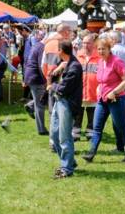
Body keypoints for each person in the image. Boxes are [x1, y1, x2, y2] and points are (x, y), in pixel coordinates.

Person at [83, 38, 125, 163]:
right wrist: (99, 88)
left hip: (116, 99)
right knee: (97, 127)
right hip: (102, 100)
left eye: (103, 49)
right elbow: (101, 80)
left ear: (109, 49)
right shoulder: (100, 62)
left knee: (121, 127)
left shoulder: (117, 61)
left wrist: (114, 92)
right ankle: (91, 153)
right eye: (98, 49)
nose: (100, 51)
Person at [47, 40, 83, 179]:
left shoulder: (74, 67)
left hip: (67, 103)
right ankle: (70, 162)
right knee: (54, 135)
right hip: (59, 101)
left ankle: (67, 168)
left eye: (58, 49)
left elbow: (63, 89)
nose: (56, 52)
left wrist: (52, 87)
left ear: (61, 51)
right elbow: (51, 76)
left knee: (64, 137)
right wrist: (58, 69)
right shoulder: (66, 64)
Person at [41, 23, 72, 151]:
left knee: (52, 113)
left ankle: (52, 142)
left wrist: (48, 78)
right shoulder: (66, 45)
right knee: (63, 114)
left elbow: (43, 64)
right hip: (62, 84)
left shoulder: (47, 44)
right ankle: (60, 141)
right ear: (65, 32)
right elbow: (70, 63)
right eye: (69, 31)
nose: (70, 33)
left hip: (50, 82)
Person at [73, 34, 99, 141]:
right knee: (77, 115)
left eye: (88, 43)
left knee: (91, 115)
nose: (85, 45)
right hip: (80, 91)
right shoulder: (78, 56)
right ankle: (75, 135)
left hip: (93, 92)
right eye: (83, 42)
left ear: (93, 44)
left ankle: (90, 135)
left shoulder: (99, 57)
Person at [24, 31, 48, 135]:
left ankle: (30, 105)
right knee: (40, 104)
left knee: (40, 100)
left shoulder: (37, 45)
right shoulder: (42, 48)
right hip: (36, 77)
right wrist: (46, 80)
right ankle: (41, 129)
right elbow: (41, 65)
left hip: (31, 76)